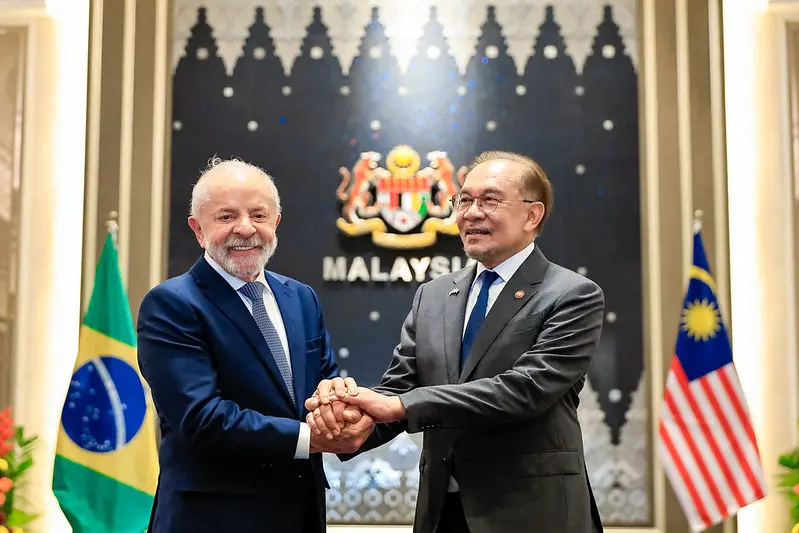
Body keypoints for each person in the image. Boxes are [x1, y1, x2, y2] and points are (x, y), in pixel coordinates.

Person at [307, 150, 605, 533]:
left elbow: (524, 390)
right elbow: (402, 386)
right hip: (442, 510)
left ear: (533, 215)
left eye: (490, 200)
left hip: (532, 511)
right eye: (463, 200)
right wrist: (346, 424)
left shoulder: (572, 294)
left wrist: (396, 405)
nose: (471, 212)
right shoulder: (433, 295)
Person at [137, 158, 373, 533]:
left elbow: (322, 385)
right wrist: (312, 439)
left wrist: (339, 405)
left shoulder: (301, 297)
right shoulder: (171, 304)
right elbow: (201, 420)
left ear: (275, 224)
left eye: (259, 215)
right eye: (226, 216)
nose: (245, 229)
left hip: (300, 513)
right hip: (211, 520)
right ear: (198, 230)